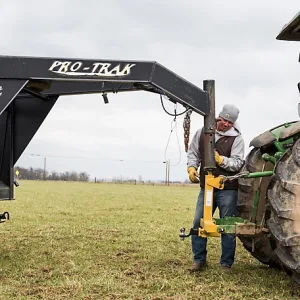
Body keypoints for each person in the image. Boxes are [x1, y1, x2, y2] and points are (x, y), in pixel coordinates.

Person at [187, 104, 245, 272]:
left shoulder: (237, 138)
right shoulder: (203, 132)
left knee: (227, 225)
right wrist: (191, 167)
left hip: (227, 188)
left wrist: (221, 160)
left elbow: (238, 163)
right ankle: (199, 260)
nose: (226, 124)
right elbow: (193, 153)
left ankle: (226, 264)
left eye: (230, 122)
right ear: (219, 117)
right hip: (206, 187)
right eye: (224, 120)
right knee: (199, 222)